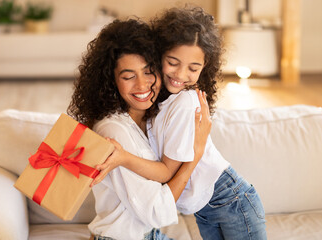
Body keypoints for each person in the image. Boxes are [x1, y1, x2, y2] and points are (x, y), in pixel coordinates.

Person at [93, 7, 267, 240]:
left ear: (204, 69)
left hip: (230, 199)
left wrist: (124, 158)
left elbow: (165, 171)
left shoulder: (185, 102)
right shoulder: (156, 105)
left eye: (193, 68)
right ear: (159, 56)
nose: (181, 74)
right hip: (205, 208)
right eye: (172, 62)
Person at [67, 18, 211, 240]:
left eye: (148, 71)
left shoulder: (152, 119)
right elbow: (157, 211)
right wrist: (194, 157)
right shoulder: (114, 132)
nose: (142, 85)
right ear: (111, 81)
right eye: (128, 76)